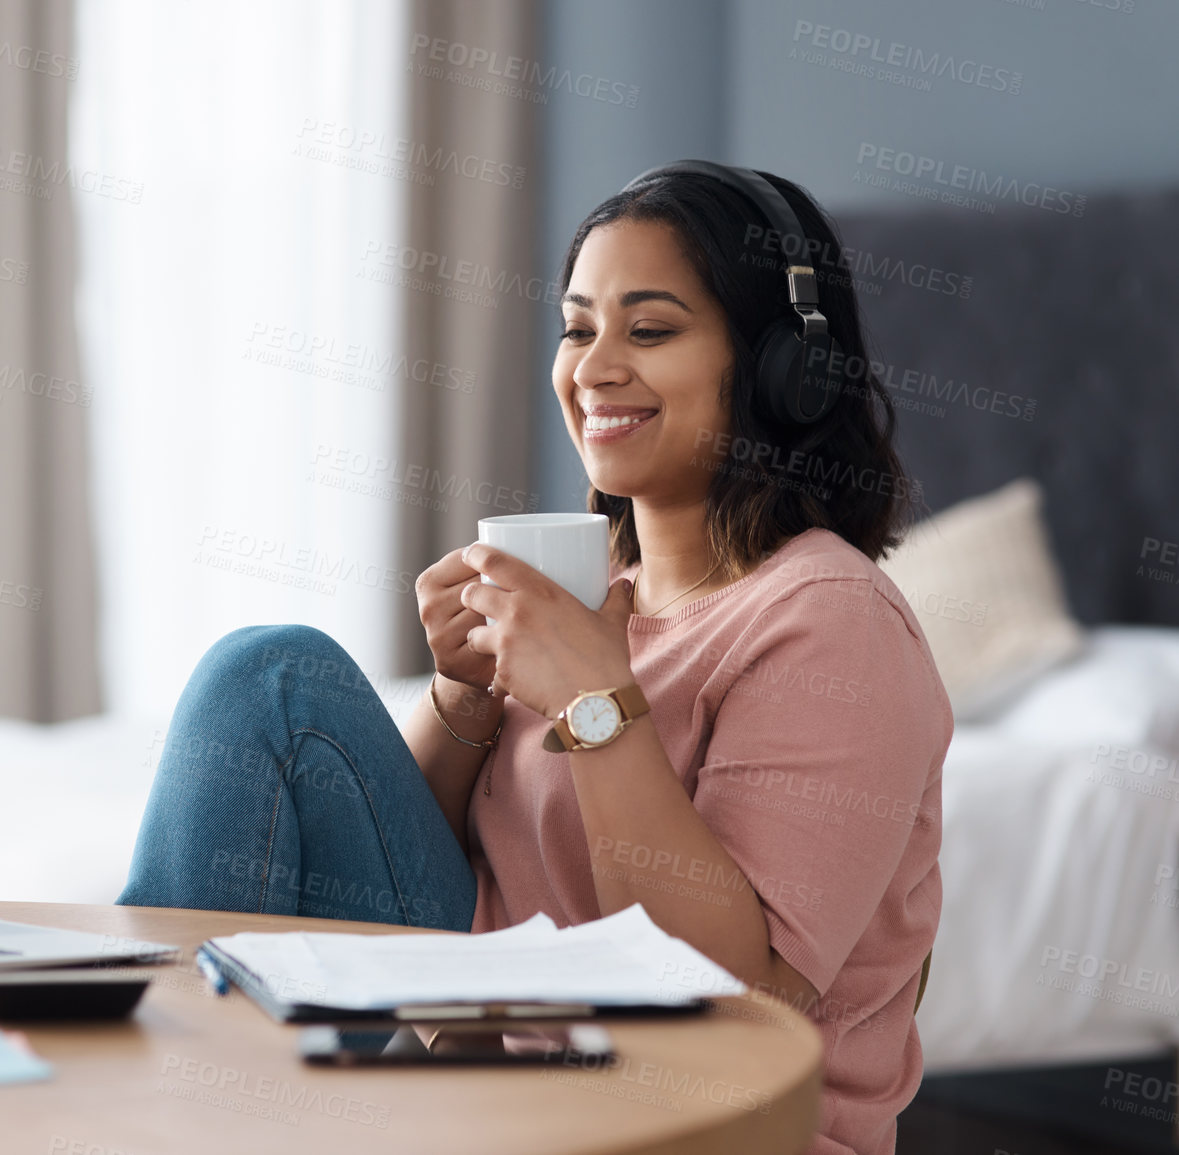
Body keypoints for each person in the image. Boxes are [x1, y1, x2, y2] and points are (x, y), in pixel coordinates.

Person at [118, 163, 948, 1155]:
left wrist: (596, 701)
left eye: (648, 330)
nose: (592, 368)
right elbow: (422, 881)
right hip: (483, 1072)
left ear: (786, 369)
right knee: (268, 677)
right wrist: (465, 692)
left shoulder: (829, 620)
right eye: (576, 327)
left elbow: (735, 998)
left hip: (686, 1120)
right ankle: (147, 1095)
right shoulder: (590, 589)